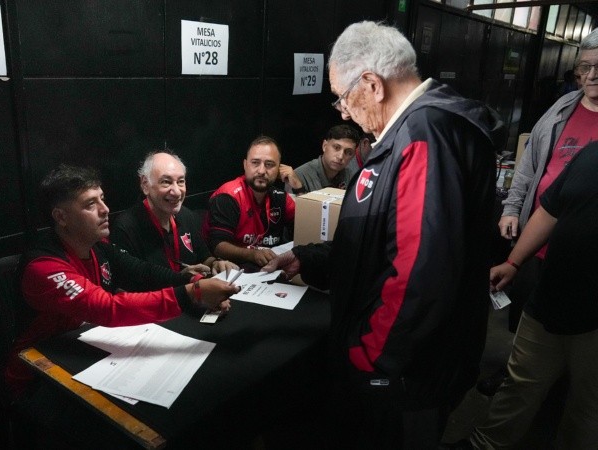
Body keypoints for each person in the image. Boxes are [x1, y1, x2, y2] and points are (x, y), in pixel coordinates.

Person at [262, 21, 505, 448]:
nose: (342, 112)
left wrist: (369, 356)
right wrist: (312, 258)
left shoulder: (422, 136)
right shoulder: (424, 128)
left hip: (404, 375)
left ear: (372, 85)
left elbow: (420, 274)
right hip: (413, 365)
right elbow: (383, 240)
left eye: (342, 97)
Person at [6, 164, 238, 447]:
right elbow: (107, 308)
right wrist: (192, 294)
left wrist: (192, 283)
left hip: (81, 352)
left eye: (102, 199)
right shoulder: (44, 267)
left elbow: (143, 273)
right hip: (37, 378)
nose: (105, 209)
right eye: (90, 204)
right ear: (61, 217)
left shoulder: (97, 244)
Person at [481, 29, 598, 395]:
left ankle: (560, 387)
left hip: (582, 255)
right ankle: (516, 375)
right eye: (585, 67)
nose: (592, 75)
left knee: (574, 329)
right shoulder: (562, 109)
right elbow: (530, 165)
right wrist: (512, 208)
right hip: (535, 241)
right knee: (525, 317)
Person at [467, 141, 598, 449]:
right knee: (519, 382)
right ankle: (485, 445)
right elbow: (550, 212)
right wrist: (513, 262)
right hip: (550, 297)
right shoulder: (591, 153)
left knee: (588, 404)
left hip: (594, 320)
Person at [111, 151, 238, 275]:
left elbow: (204, 257)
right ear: (145, 185)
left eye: (181, 181)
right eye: (166, 182)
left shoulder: (187, 215)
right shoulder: (126, 228)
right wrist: (181, 280)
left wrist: (216, 264)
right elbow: (132, 284)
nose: (177, 192)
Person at [206, 136, 295, 268]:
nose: (261, 171)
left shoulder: (281, 197)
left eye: (269, 164)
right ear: (245, 165)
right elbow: (218, 246)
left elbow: (305, 227)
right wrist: (252, 255)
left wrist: (299, 188)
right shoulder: (228, 196)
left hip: (270, 268)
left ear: (278, 169)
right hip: (233, 269)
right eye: (255, 163)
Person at [280, 124, 362, 194]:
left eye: (348, 152)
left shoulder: (352, 177)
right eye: (336, 148)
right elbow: (294, 207)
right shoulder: (299, 176)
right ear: (324, 146)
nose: (340, 156)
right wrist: (299, 189)